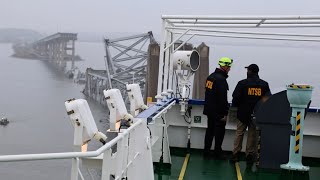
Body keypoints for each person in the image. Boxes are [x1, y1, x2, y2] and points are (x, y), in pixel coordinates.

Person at [231, 64, 271, 164]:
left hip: (243, 113)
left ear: (250, 71)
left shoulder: (242, 83)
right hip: (256, 114)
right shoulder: (264, 84)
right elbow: (267, 99)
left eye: (248, 70)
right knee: (252, 134)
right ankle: (249, 154)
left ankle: (235, 154)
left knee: (239, 133)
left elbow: (235, 97)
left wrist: (238, 105)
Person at [203, 57, 233, 158]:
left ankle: (206, 151)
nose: (229, 69)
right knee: (219, 133)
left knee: (210, 131)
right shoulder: (221, 80)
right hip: (218, 111)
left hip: (209, 110)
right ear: (224, 66)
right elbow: (222, 98)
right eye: (229, 67)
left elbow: (208, 94)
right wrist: (224, 113)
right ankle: (217, 152)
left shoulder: (210, 77)